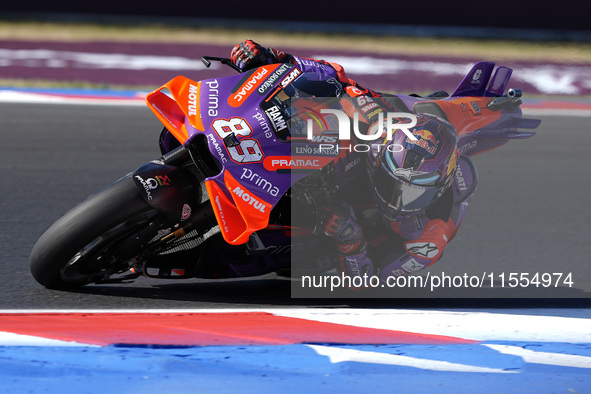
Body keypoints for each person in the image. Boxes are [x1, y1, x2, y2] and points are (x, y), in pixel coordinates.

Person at [230, 39, 478, 286]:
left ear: (438, 189)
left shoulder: (427, 239)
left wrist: (351, 240)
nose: (397, 200)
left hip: (346, 236)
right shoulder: (376, 122)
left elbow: (366, 285)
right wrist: (272, 58)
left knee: (300, 263)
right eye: (392, 184)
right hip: (366, 152)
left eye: (413, 193)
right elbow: (336, 78)